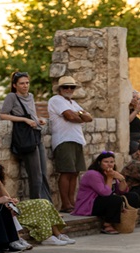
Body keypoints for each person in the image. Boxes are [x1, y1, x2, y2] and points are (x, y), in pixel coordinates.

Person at [0, 158, 74, 246]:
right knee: (41, 206)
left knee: (45, 203)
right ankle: (47, 237)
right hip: (8, 212)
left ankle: (57, 234)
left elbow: (8, 198)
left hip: (13, 208)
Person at [0, 71, 52, 201]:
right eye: (22, 83)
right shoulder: (12, 97)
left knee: (44, 173)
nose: (25, 86)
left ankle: (47, 207)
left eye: (27, 83)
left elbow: (31, 113)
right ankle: (37, 206)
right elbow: (3, 115)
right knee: (36, 175)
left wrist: (39, 119)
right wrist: (24, 120)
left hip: (36, 135)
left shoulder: (31, 96)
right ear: (15, 85)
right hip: (26, 138)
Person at [48, 76, 94, 213]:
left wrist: (77, 114)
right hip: (64, 139)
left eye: (71, 87)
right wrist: (80, 115)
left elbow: (89, 118)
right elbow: (71, 117)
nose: (68, 89)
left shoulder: (73, 103)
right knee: (66, 172)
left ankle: (72, 202)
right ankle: (65, 204)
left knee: (74, 173)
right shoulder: (56, 100)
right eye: (65, 87)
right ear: (60, 89)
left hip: (76, 139)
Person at [74, 151, 138, 234]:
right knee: (115, 199)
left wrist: (121, 179)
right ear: (99, 163)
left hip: (104, 201)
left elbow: (122, 191)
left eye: (112, 162)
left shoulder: (110, 173)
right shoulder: (92, 174)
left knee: (133, 196)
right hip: (89, 205)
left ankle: (126, 221)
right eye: (106, 162)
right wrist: (110, 178)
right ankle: (107, 225)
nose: (109, 164)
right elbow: (105, 193)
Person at [129, 90, 140, 155]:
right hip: (131, 140)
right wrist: (136, 110)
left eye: (138, 98)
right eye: (133, 97)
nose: (135, 100)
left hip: (138, 139)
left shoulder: (137, 111)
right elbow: (127, 121)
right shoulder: (127, 110)